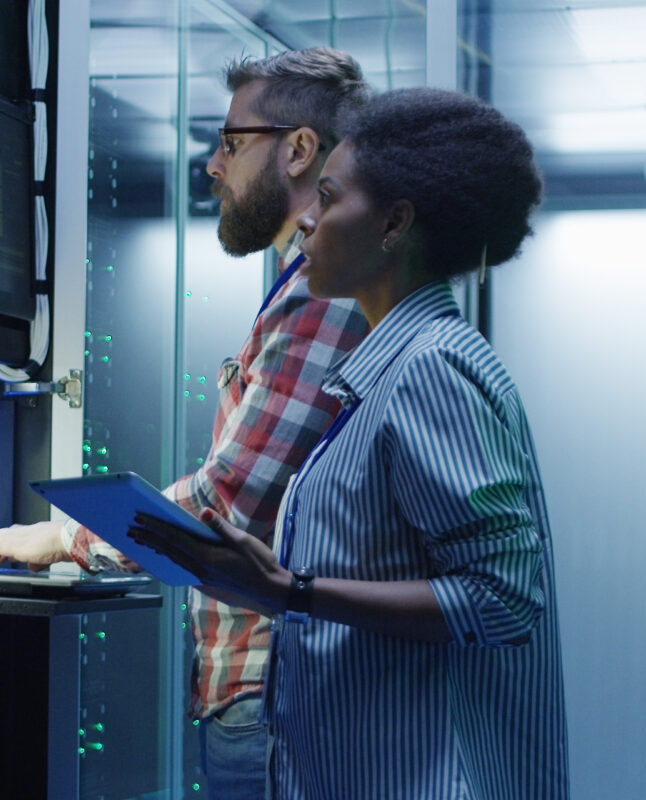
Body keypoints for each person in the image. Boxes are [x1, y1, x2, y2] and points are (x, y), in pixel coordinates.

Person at [128, 87, 570, 800]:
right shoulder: (392, 367)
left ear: (394, 222)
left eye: (328, 200)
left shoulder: (430, 368)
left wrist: (288, 591)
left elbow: (502, 600)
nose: (306, 220)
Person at [0, 48, 370, 798]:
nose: (214, 166)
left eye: (231, 142)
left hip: (272, 694)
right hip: (263, 695)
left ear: (297, 149)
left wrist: (62, 538)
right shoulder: (302, 290)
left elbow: (225, 504)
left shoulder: (319, 297)